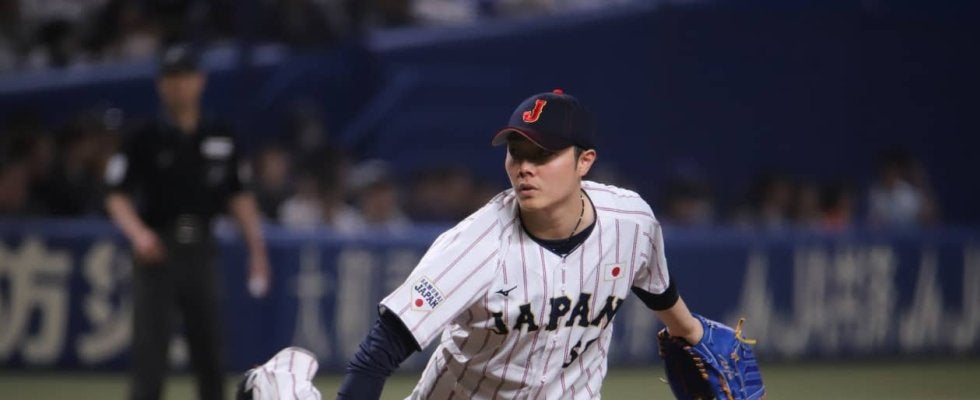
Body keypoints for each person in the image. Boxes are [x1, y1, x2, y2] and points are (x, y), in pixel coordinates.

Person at [336, 89, 728, 399]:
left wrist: (692, 334)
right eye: (517, 153)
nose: (525, 167)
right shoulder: (475, 245)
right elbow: (378, 353)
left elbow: (658, 289)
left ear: (584, 161)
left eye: (543, 155)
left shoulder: (630, 221)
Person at [104, 44, 271, 400]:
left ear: (200, 81)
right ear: (160, 84)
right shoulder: (143, 136)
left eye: (184, 76)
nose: (178, 85)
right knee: (150, 355)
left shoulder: (220, 134)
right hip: (157, 251)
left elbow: (239, 196)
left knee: (210, 354)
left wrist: (257, 251)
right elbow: (116, 195)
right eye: (170, 77)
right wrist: (139, 234)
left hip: (202, 251)